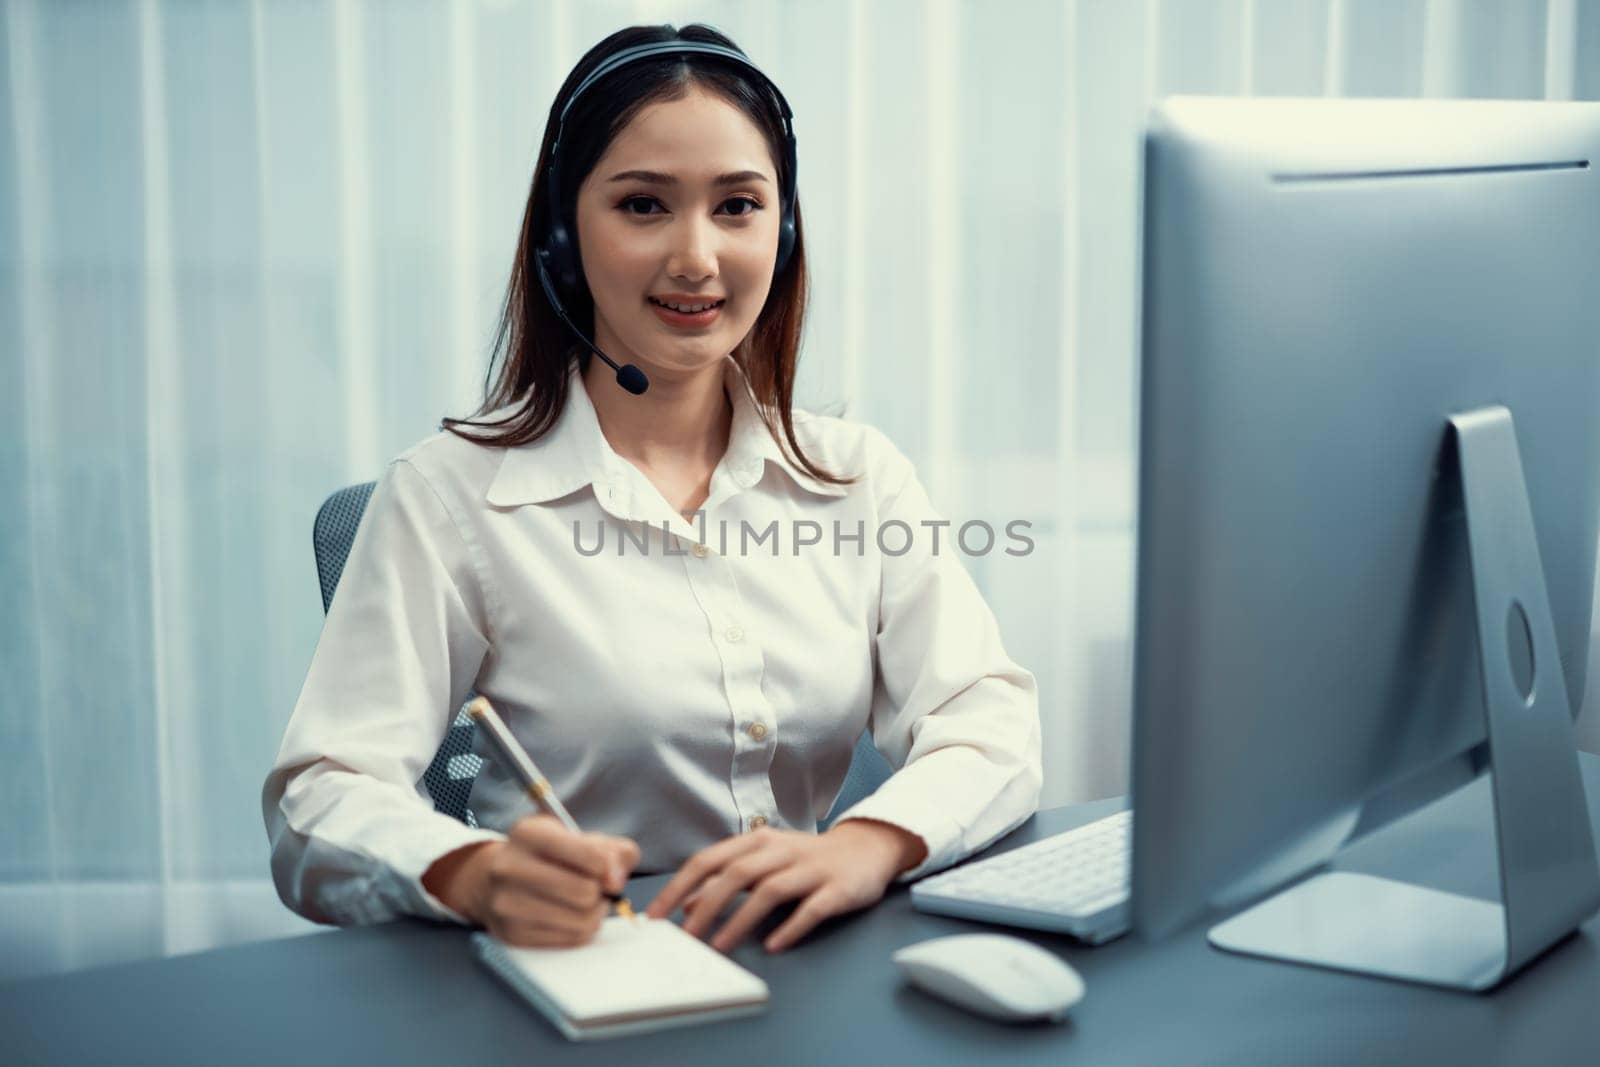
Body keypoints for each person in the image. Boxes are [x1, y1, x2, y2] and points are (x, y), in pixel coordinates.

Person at [262, 23, 1041, 957]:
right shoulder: (449, 500)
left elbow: (988, 718)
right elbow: (320, 798)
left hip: (806, 962)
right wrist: (470, 873)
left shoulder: (857, 477)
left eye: (739, 206)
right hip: (582, 973)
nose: (697, 257)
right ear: (562, 234)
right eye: (642, 205)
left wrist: (866, 846)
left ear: (782, 228)